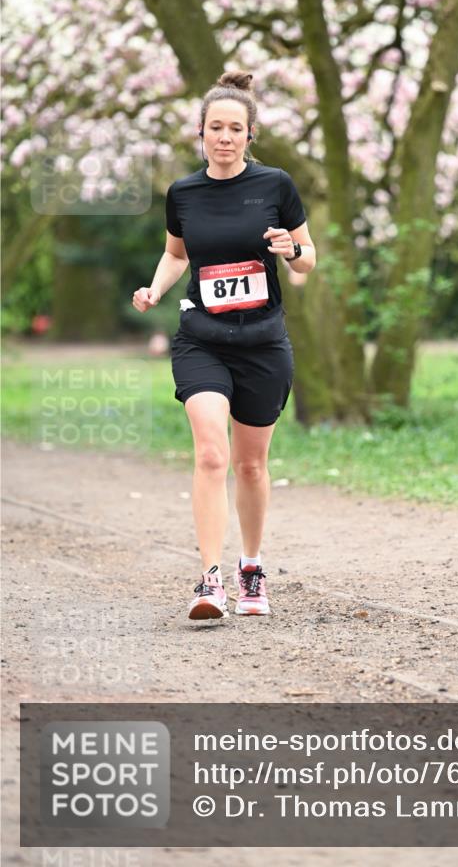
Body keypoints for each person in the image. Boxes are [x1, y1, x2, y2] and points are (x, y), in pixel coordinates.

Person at [132, 70, 316, 620]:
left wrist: (290, 248)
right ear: (202, 132)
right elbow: (177, 254)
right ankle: (209, 581)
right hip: (202, 340)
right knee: (212, 453)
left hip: (263, 342)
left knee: (252, 466)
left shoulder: (276, 186)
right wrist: (154, 288)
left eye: (236, 128)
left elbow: (308, 262)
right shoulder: (183, 193)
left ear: (250, 134)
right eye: (216, 127)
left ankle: (251, 569)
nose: (225, 137)